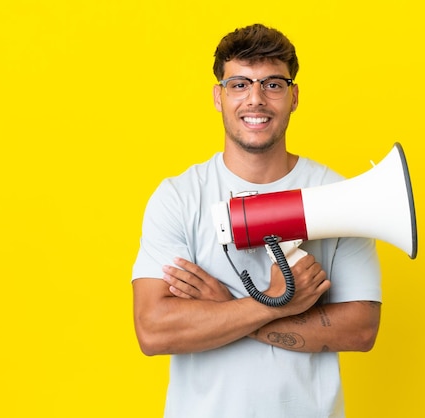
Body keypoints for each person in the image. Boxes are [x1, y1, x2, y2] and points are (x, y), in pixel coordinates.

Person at [132, 23, 382, 418]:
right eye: (239, 84)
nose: (256, 99)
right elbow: (154, 330)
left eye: (273, 84)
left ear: (294, 96)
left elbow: (360, 329)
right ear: (218, 96)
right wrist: (277, 303)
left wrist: (227, 308)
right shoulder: (179, 196)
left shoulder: (338, 196)